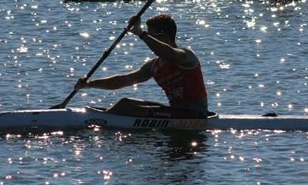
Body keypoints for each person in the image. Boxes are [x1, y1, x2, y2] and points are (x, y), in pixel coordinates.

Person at [74, 14, 208, 118]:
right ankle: (103, 118)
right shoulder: (154, 65)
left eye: (151, 36)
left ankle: (101, 121)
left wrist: (141, 33)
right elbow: (123, 80)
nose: (147, 39)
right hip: (175, 112)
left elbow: (166, 52)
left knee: (126, 108)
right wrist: (90, 84)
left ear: (164, 36)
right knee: (126, 103)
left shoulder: (185, 56)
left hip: (195, 114)